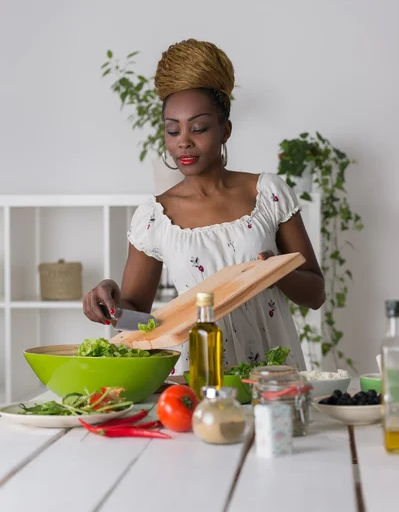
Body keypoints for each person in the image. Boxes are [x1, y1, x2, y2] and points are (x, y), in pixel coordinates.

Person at [83, 38, 325, 373]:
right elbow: (140, 319)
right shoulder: (154, 218)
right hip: (199, 377)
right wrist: (111, 303)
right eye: (172, 130)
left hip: (273, 376)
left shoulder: (267, 192)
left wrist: (274, 273)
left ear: (225, 130)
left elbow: (315, 294)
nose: (184, 140)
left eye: (199, 128)